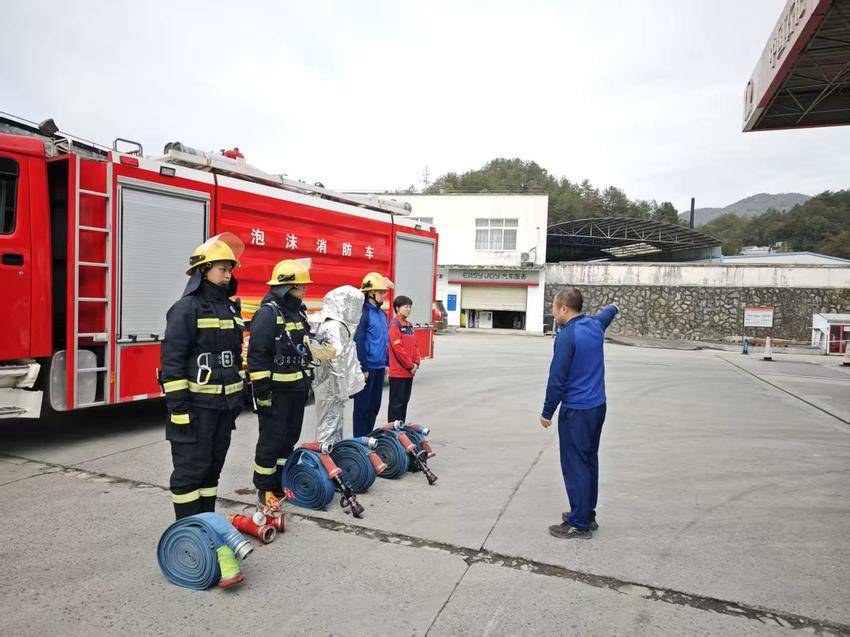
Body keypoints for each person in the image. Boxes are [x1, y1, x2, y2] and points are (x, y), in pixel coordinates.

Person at [160, 233, 246, 520]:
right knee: (190, 472)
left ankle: (207, 526)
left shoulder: (230, 309)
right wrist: (179, 409)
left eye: (230, 269)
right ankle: (187, 533)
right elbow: (172, 362)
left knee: (212, 470)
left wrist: (238, 398)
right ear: (203, 271)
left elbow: (234, 358)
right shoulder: (186, 308)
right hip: (196, 410)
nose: (228, 275)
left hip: (224, 408)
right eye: (222, 269)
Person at [540, 287, 619, 540]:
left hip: (577, 411)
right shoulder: (595, 325)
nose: (553, 312)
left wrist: (547, 411)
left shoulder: (567, 336)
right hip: (597, 408)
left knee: (575, 465)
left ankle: (578, 523)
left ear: (564, 309)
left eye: (554, 307)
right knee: (588, 461)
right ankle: (587, 513)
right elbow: (607, 313)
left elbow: (557, 378)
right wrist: (615, 307)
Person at [248, 258, 314, 513]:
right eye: (301, 286)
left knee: (289, 438)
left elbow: (303, 346)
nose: (305, 290)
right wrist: (262, 391)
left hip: (296, 390)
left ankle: (280, 482)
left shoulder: (297, 312)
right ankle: (265, 489)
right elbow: (257, 355)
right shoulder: (268, 314)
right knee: (271, 440)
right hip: (275, 392)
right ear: (288, 287)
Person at [313, 285, 366, 446]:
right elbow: (336, 360)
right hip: (332, 386)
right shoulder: (335, 326)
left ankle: (333, 452)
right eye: (355, 306)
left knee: (331, 422)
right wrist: (342, 389)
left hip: (325, 383)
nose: (357, 311)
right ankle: (326, 454)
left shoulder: (327, 322)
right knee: (330, 424)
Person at [352, 272, 393, 437]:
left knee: (374, 406)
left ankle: (368, 439)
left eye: (384, 292)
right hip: (367, 368)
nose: (384, 295)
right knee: (362, 407)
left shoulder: (382, 314)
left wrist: (387, 363)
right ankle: (359, 442)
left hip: (379, 367)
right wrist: (363, 367)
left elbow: (385, 339)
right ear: (371, 293)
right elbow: (359, 341)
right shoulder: (363, 313)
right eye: (381, 292)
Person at [387, 295, 421, 423]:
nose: (408, 309)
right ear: (397, 308)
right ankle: (393, 431)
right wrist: (410, 365)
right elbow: (398, 350)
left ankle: (401, 429)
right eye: (405, 306)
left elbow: (415, 346)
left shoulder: (409, 326)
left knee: (404, 402)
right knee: (396, 404)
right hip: (398, 373)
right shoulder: (394, 325)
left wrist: (416, 363)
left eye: (410, 307)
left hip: (409, 373)